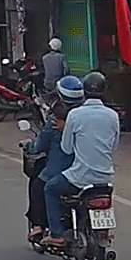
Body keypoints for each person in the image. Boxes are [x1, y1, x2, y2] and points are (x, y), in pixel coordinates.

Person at [44, 72, 120, 246]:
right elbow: (113, 147)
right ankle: (104, 231)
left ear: (84, 92)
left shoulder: (75, 115)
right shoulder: (113, 115)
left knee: (50, 188)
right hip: (106, 178)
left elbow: (67, 148)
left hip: (80, 177)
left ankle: (57, 234)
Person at [25, 96, 79, 241]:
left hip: (67, 172)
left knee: (41, 186)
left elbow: (40, 146)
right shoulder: (87, 119)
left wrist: (29, 146)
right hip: (98, 175)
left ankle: (43, 228)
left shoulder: (55, 121)